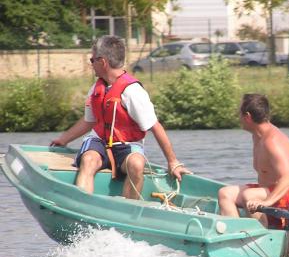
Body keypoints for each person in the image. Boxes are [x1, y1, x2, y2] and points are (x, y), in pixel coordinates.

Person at [50, 35, 191, 199]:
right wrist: (64, 139)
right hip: (99, 142)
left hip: (126, 145)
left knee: (137, 164)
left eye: (92, 60)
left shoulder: (132, 92)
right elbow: (89, 121)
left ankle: (128, 209)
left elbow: (155, 126)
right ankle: (82, 205)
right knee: (88, 160)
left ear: (102, 62)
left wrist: (172, 162)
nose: (91, 65)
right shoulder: (96, 89)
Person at [218, 93, 289, 228]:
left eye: (239, 115)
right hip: (276, 191)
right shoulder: (257, 136)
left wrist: (267, 202)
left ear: (247, 117)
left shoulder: (272, 141)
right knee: (225, 193)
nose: (238, 118)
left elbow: (288, 178)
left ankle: (262, 239)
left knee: (250, 196)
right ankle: (237, 235)